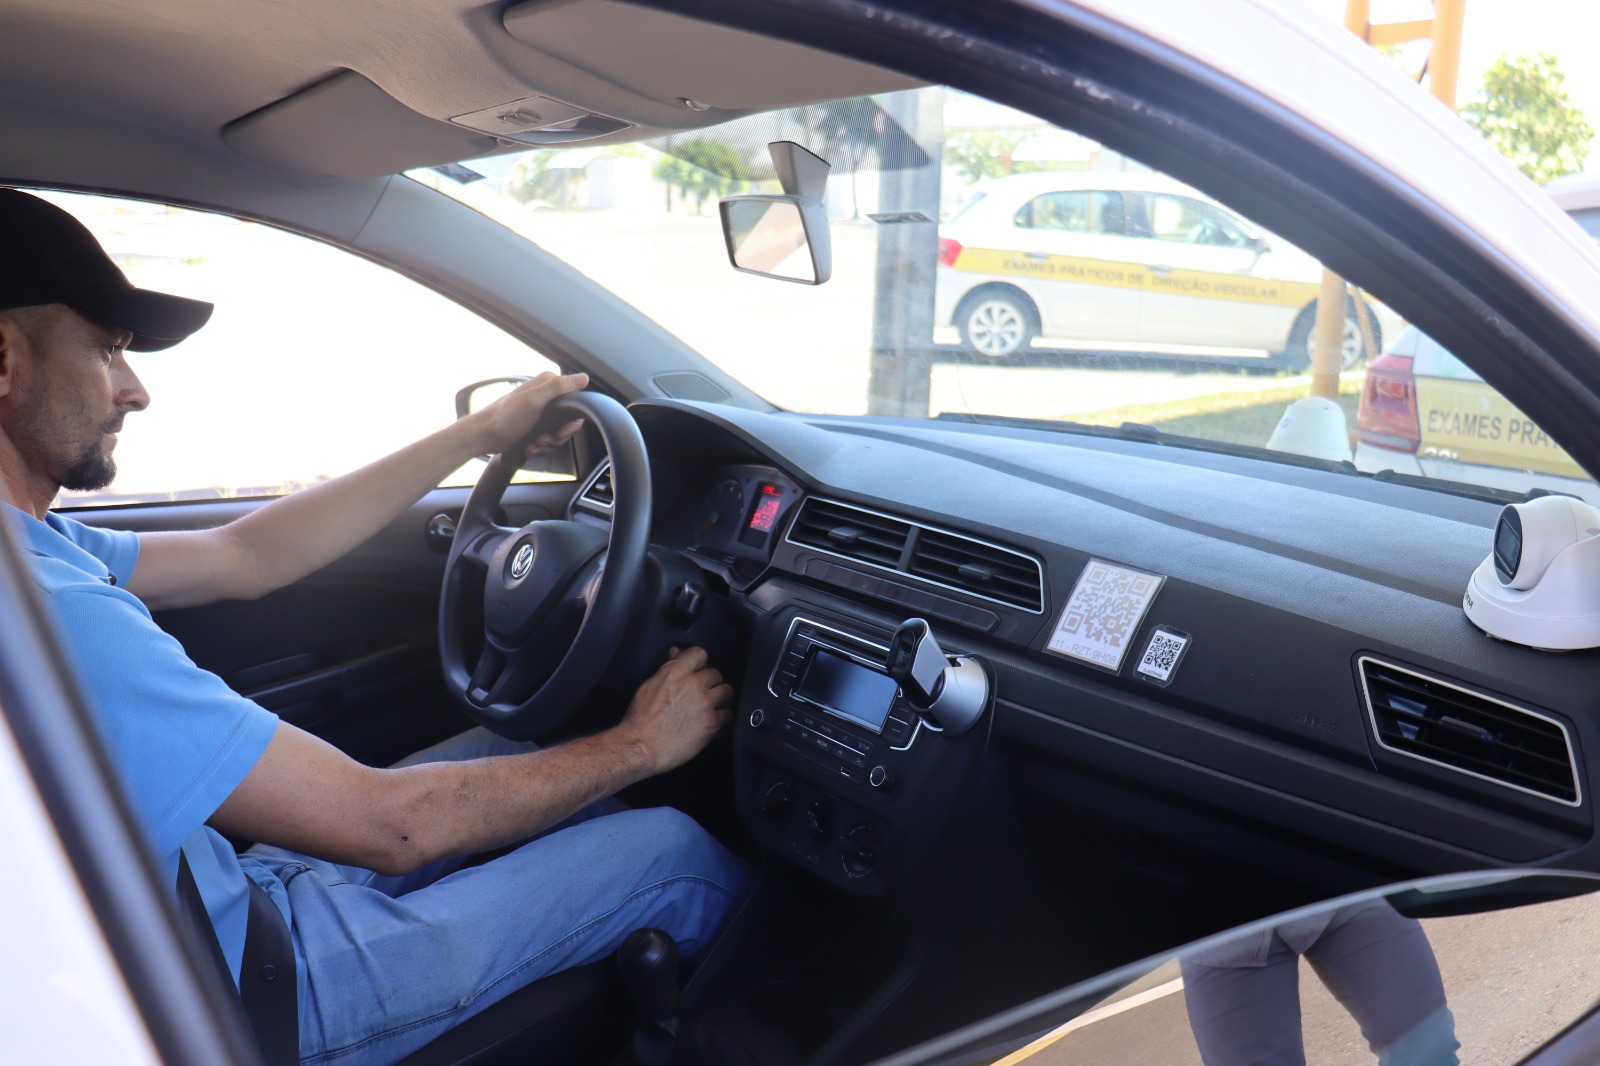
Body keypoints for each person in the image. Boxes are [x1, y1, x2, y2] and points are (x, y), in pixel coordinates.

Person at [0, 188, 748, 1066]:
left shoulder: (31, 546)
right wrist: (642, 744)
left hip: (203, 908)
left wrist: (477, 435)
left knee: (518, 746)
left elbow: (245, 555)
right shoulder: (49, 613)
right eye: (105, 350)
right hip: (237, 1001)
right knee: (671, 851)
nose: (136, 390)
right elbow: (391, 828)